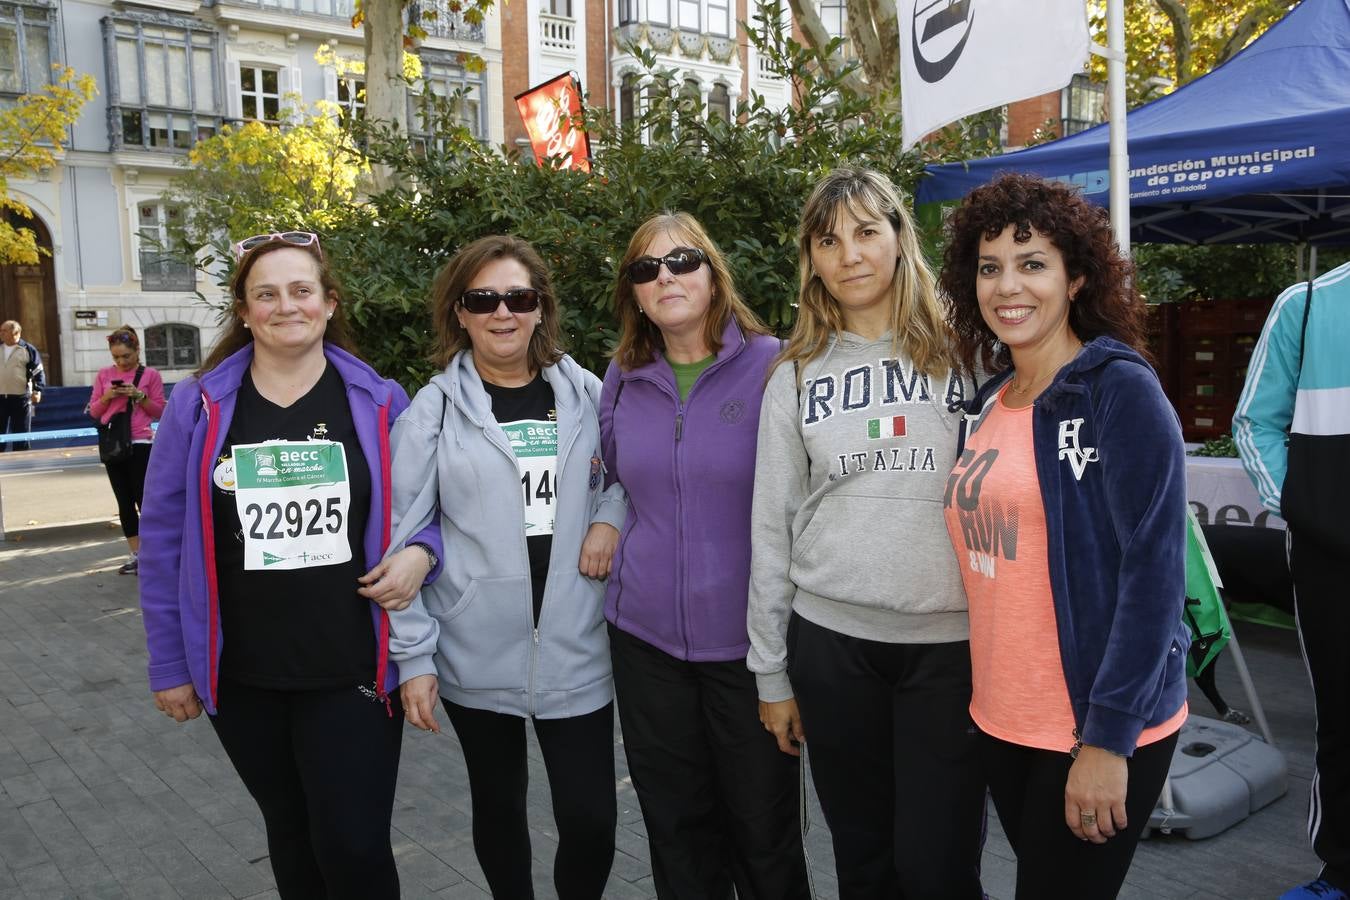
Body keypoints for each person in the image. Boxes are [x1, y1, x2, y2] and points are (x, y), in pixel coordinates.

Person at [138, 231, 442, 900]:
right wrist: (169, 665)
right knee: (292, 833)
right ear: (244, 312)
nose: (286, 306)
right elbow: (161, 541)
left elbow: (435, 508)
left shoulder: (382, 400)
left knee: (354, 846)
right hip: (243, 674)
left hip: (354, 667)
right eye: (265, 294)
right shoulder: (199, 405)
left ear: (330, 304)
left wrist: (423, 553)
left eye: (301, 290)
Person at [938, 172, 1189, 898]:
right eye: (990, 267)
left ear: (1076, 277)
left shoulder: (1118, 391)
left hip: (1094, 727)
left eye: (1032, 263)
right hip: (1003, 720)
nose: (1007, 286)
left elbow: (1154, 577)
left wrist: (1108, 741)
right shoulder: (987, 402)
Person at [747, 167, 984, 899]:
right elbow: (772, 525)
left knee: (936, 866)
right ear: (811, 259)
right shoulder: (794, 373)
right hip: (832, 647)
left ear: (898, 239)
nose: (849, 253)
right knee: (864, 862)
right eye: (828, 239)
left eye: (865, 232)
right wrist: (770, 672)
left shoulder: (972, 353)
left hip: (952, 652)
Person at [387, 235, 626, 900]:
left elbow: (628, 477)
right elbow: (401, 536)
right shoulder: (431, 410)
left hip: (578, 646)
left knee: (590, 820)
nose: (502, 313)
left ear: (541, 308)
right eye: (482, 299)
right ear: (458, 313)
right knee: (498, 809)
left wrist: (608, 517)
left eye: (518, 298)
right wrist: (415, 660)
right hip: (474, 650)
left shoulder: (586, 393)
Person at [599, 212, 810, 900]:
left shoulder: (774, 365)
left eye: (682, 260)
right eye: (646, 269)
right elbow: (611, 474)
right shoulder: (622, 377)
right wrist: (605, 522)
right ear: (633, 293)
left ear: (714, 272)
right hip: (645, 643)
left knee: (764, 835)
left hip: (749, 651)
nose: (666, 277)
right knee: (676, 832)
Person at [1234, 259, 1350, 900]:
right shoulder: (1307, 304)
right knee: (1341, 718)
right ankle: (1340, 873)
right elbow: (1255, 421)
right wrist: (1311, 513)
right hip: (1332, 564)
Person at [88, 326, 166, 574]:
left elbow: (160, 411)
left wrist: (139, 395)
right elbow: (95, 413)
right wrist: (108, 396)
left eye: (126, 357)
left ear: (137, 351)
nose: (121, 362)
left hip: (140, 443)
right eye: (116, 357)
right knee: (124, 502)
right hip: (114, 445)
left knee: (146, 501)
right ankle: (137, 555)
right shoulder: (103, 375)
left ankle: (155, 553)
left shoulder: (150, 375)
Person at [0, 319, 46, 451]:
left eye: (4, 331)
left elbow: (38, 371)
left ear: (16, 333)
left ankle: (21, 461)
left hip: (21, 398)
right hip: (0, 397)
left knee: (21, 432)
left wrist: (37, 390)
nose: (1, 333)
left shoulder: (28, 349)